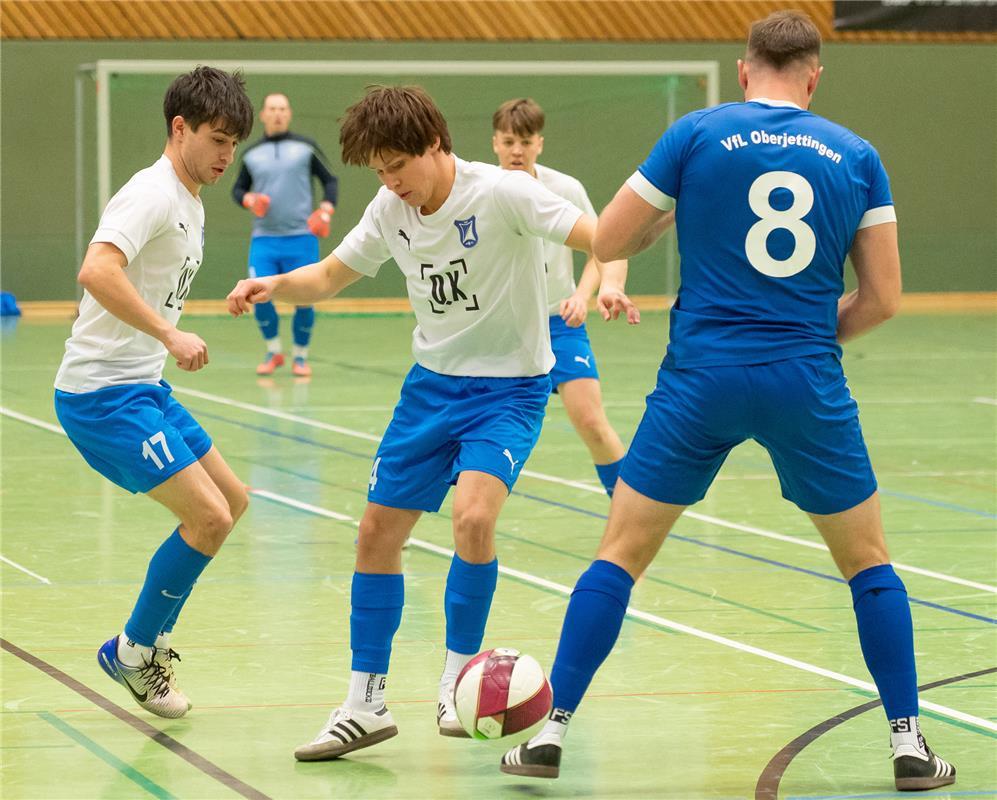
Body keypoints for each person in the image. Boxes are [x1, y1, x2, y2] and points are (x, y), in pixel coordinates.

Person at [500, 11, 955, 793]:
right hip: (804, 380)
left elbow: (606, 240)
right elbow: (882, 298)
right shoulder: (856, 155)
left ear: (743, 71)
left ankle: (550, 733)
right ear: (813, 77)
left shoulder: (695, 135)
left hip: (700, 379)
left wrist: (659, 223)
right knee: (867, 563)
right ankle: (908, 745)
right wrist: (801, 341)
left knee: (620, 553)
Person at [226, 84, 636, 762]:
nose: (391, 183)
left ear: (436, 145)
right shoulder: (390, 208)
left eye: (398, 167)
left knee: (472, 518)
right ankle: (364, 703)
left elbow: (605, 236)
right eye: (379, 172)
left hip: (508, 391)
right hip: (430, 389)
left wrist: (624, 267)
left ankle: (456, 681)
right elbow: (328, 276)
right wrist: (275, 284)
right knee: (374, 535)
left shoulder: (504, 193)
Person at [53, 67, 254, 718]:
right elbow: (96, 270)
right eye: (217, 140)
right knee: (209, 517)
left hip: (142, 385)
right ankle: (133, 652)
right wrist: (168, 332)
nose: (226, 156)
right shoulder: (152, 194)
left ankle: (152, 636)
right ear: (180, 128)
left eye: (234, 144)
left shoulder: (190, 200)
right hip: (101, 395)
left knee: (232, 500)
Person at [492, 99, 626, 496]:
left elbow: (602, 249)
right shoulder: (480, 190)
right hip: (503, 331)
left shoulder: (564, 189)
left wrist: (582, 296)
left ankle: (629, 510)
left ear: (540, 143)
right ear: (495, 143)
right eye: (509, 142)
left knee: (591, 422)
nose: (517, 151)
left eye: (526, 142)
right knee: (479, 433)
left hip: (559, 323)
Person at [231, 92, 339, 377]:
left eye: (282, 108)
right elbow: (238, 190)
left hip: (302, 239)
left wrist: (325, 210)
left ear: (289, 114)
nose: (277, 113)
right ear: (263, 115)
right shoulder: (251, 154)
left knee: (305, 299)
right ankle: (274, 351)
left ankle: (300, 357)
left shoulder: (306, 148)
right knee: (257, 296)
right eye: (272, 109)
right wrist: (249, 200)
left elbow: (330, 180)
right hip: (264, 240)